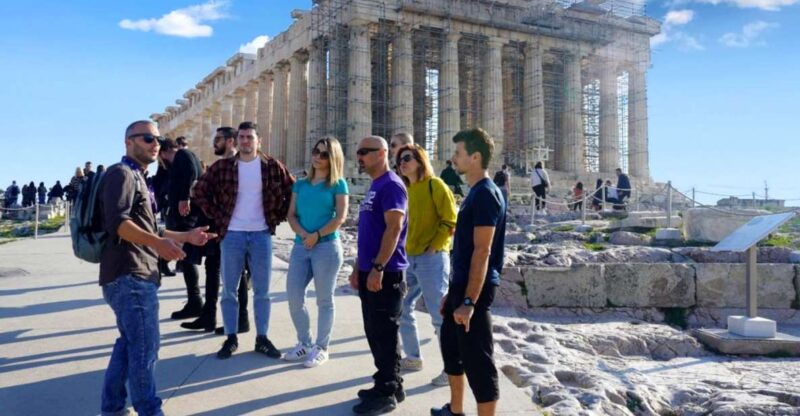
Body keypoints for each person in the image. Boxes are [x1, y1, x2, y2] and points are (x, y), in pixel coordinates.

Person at [98, 120, 215, 416]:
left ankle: (112, 408)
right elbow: (119, 224)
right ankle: (150, 410)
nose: (156, 144)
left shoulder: (139, 177)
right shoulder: (121, 174)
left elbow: (153, 228)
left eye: (159, 140)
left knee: (129, 345)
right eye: (148, 138)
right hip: (130, 274)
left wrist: (186, 236)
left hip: (133, 275)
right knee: (145, 349)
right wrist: (158, 245)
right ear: (128, 142)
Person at [194, 121, 294, 360]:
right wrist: (219, 217)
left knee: (263, 291)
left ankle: (262, 338)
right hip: (232, 234)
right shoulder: (223, 167)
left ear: (259, 140)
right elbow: (199, 191)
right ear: (236, 141)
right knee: (229, 290)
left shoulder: (272, 166)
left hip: (261, 234)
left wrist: (277, 216)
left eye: (250, 137)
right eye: (242, 137)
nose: (245, 141)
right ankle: (231, 337)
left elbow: (292, 191)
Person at [432, 127, 506, 416]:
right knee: (452, 350)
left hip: (474, 291)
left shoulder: (487, 195)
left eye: (458, 153)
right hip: (460, 287)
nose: (453, 158)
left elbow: (482, 251)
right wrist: (452, 294)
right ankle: (456, 410)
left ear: (475, 157)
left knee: (478, 361)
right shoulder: (475, 193)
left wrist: (468, 301)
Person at [349, 135, 408, 415]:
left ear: (383, 153)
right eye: (358, 152)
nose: (359, 156)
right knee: (374, 330)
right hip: (369, 270)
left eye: (365, 152)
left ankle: (387, 392)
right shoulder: (375, 186)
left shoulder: (392, 185)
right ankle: (389, 382)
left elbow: (394, 229)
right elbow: (368, 233)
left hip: (386, 273)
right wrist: (357, 268)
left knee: (384, 332)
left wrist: (378, 268)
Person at [283, 136, 348, 368]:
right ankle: (304, 342)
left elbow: (340, 217)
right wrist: (303, 234)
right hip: (301, 246)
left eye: (323, 154)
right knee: (293, 296)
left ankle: (321, 347)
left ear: (332, 158)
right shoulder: (299, 184)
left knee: (324, 300)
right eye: (315, 151)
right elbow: (291, 215)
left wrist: (317, 235)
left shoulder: (338, 184)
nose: (317, 157)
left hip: (327, 246)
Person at [395, 143, 457, 387]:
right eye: (399, 159)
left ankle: (452, 370)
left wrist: (434, 246)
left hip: (432, 259)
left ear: (420, 160)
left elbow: (451, 219)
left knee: (439, 315)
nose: (402, 162)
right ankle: (413, 357)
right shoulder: (404, 190)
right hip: (408, 258)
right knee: (401, 307)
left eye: (407, 158)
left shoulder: (435, 185)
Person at [182, 126, 253, 335]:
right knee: (212, 270)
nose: (215, 142)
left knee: (237, 273)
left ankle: (241, 319)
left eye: (219, 139)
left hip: (234, 228)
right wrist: (213, 211)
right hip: (216, 226)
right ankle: (208, 315)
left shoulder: (242, 165)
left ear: (231, 141)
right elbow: (198, 190)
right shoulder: (218, 166)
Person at [158, 137, 205, 320]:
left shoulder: (182, 155)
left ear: (163, 152)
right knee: (185, 257)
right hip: (182, 214)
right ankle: (194, 300)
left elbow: (191, 173)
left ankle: (195, 301)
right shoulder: (178, 159)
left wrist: (185, 197)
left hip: (186, 214)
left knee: (187, 257)